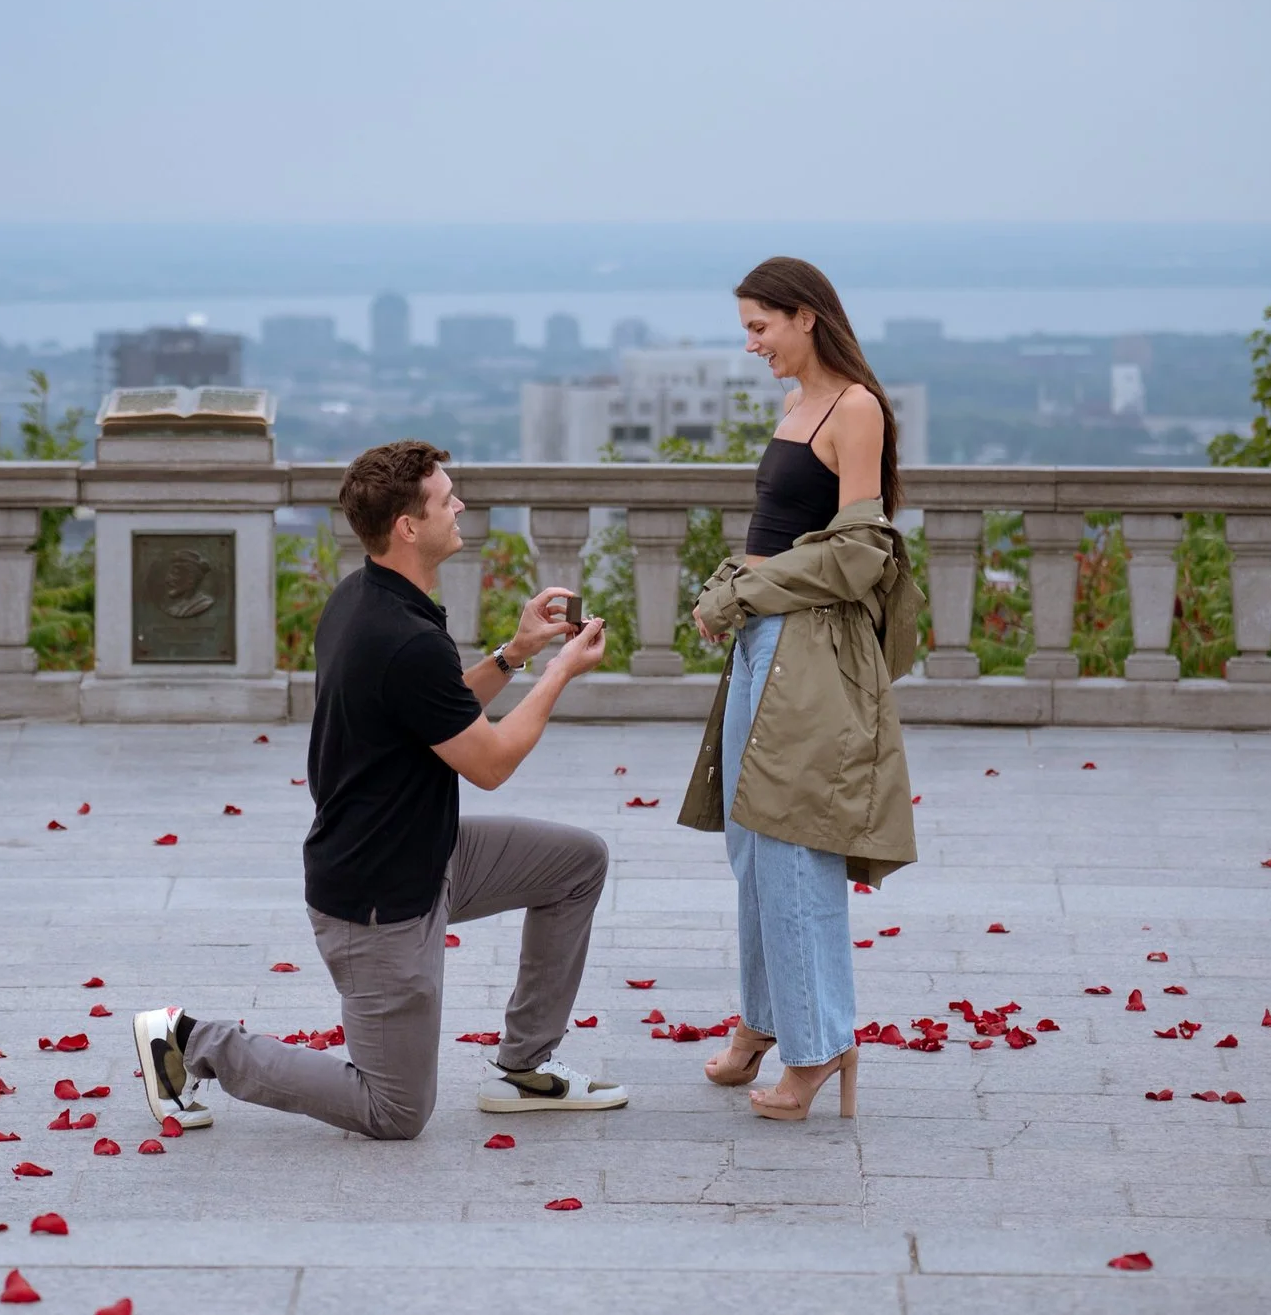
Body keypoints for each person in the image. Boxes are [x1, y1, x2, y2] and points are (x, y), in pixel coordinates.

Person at [134, 438, 625, 1140]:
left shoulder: (368, 596)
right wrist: (561, 673)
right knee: (394, 1111)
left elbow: (439, 707)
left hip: (428, 855)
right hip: (376, 905)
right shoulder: (400, 634)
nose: (460, 506)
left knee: (577, 862)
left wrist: (516, 651)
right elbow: (489, 763)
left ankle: (526, 1064)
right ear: (408, 526)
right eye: (446, 498)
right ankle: (187, 1041)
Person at [678, 257, 921, 1122]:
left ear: (806, 316)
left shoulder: (856, 408)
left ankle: (817, 1047)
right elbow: (787, 536)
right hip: (762, 639)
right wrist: (736, 590)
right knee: (751, 839)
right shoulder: (795, 406)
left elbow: (860, 553)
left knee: (791, 840)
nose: (752, 345)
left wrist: (747, 587)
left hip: (811, 646)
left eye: (759, 326)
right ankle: (765, 1021)